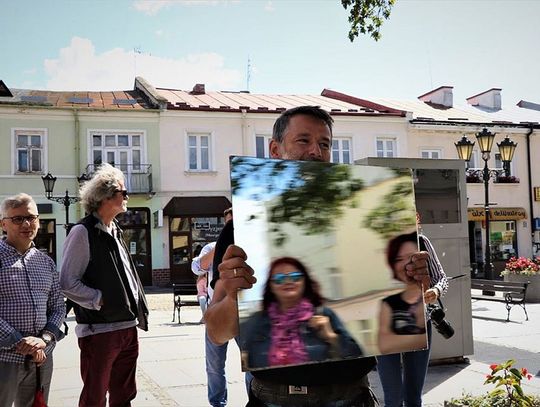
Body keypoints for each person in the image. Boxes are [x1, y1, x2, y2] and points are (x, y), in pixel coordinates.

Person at [205, 105, 431, 407]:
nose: (316, 151)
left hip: (354, 395)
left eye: (324, 144)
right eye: (303, 140)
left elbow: (389, 321)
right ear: (275, 148)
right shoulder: (242, 231)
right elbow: (217, 333)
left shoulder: (356, 221)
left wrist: (412, 283)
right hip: (278, 399)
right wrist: (234, 296)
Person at [60, 163, 149, 407]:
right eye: (123, 192)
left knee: (124, 396)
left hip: (128, 327)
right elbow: (67, 282)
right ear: (106, 196)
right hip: (100, 331)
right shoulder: (83, 232)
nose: (127, 197)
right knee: (94, 398)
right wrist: (100, 300)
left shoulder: (116, 230)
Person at [0, 193, 65, 406]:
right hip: (4, 359)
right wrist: (19, 340)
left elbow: (57, 306)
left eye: (31, 218)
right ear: (3, 224)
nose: (27, 224)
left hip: (41, 359)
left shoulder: (45, 262)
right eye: (18, 219)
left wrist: (44, 340)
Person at [241, 257, 363, 370]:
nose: (288, 281)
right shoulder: (257, 321)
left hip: (321, 390)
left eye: (295, 276)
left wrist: (332, 337)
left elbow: (357, 356)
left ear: (305, 282)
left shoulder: (324, 314)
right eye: (279, 278)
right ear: (271, 287)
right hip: (271, 392)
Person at [376, 231, 448, 407]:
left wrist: (436, 291)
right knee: (393, 399)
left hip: (419, 322)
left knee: (414, 398)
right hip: (385, 327)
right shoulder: (378, 240)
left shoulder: (421, 240)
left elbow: (441, 277)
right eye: (398, 259)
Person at [191, 207, 233, 407]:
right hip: (217, 313)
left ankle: (255, 397)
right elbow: (197, 267)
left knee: (252, 363)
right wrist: (222, 245)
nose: (231, 226)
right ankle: (218, 402)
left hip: (244, 311)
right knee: (215, 364)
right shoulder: (211, 247)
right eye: (228, 223)